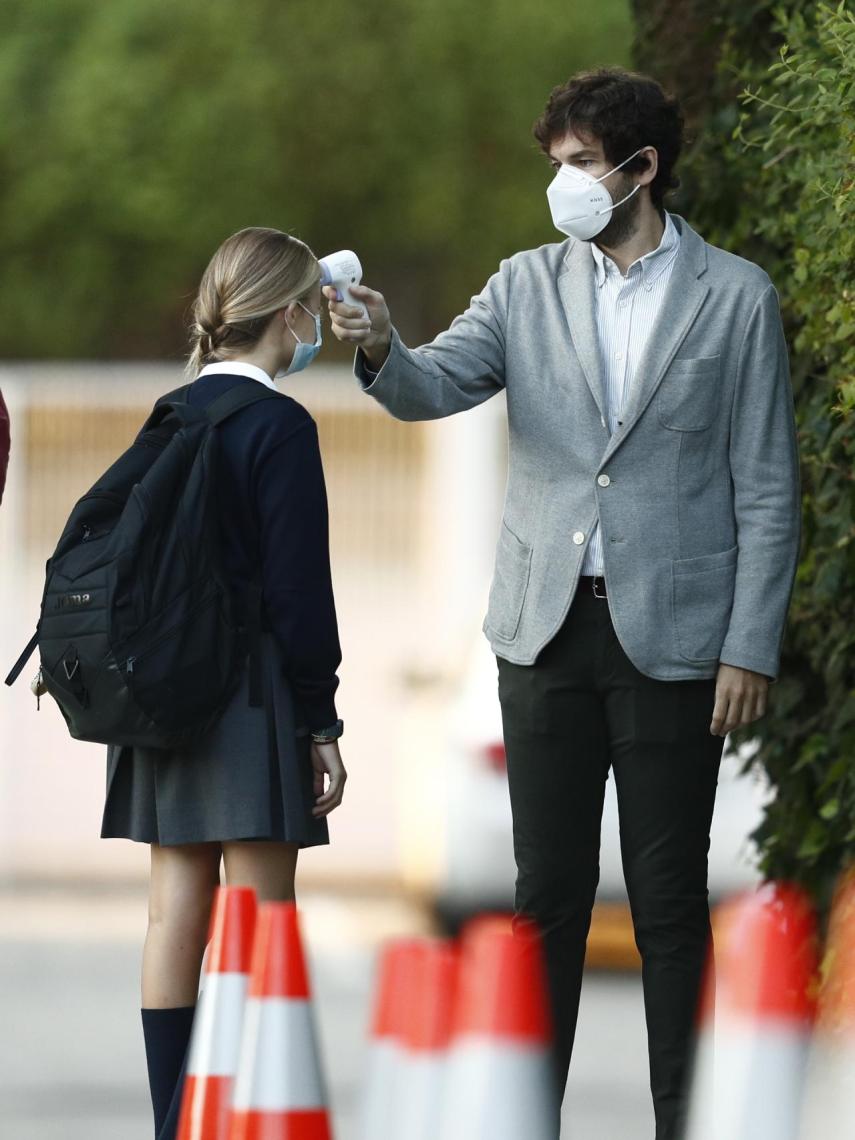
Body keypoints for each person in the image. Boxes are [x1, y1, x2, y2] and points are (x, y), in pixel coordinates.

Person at [326, 68, 800, 1140]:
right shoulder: (525, 284)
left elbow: (767, 487)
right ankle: (521, 1120)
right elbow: (431, 386)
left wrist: (749, 647)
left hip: (679, 644)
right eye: (558, 166)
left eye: (583, 164)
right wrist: (375, 341)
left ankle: (685, 1123)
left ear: (643, 169)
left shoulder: (737, 298)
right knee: (545, 903)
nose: (566, 185)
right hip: (541, 632)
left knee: (673, 908)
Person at [100, 227, 347, 1140]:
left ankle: (174, 1122)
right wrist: (319, 718)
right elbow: (296, 591)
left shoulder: (170, 409)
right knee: (259, 914)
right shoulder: (280, 425)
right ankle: (244, 1117)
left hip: (163, 694)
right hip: (248, 692)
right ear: (289, 314)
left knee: (173, 909)